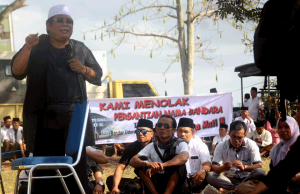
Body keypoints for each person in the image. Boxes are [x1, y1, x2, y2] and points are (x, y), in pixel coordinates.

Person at [11, 4, 102, 194]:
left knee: (75, 172)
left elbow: (97, 75)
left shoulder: (79, 48)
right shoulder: (36, 45)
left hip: (73, 121)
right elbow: (16, 71)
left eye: (68, 21)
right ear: (48, 25)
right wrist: (27, 47)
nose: (65, 24)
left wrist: (83, 69)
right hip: (43, 121)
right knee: (46, 174)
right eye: (59, 20)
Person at [129, 115, 189, 194]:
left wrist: (162, 165)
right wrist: (147, 164)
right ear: (156, 128)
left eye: (166, 126)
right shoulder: (152, 145)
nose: (162, 128)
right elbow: (132, 161)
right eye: (159, 125)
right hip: (157, 183)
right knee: (141, 163)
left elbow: (184, 157)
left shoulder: (180, 143)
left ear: (174, 130)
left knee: (179, 163)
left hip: (176, 186)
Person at [206, 120, 265, 194]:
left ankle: (231, 190)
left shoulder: (251, 145)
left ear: (245, 135)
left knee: (260, 172)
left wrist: (244, 167)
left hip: (246, 179)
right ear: (229, 133)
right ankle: (239, 189)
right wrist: (223, 168)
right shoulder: (221, 146)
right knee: (210, 175)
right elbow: (214, 167)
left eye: (240, 137)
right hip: (228, 179)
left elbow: (259, 166)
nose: (236, 140)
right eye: (233, 136)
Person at [250, 116, 300, 194]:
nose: (283, 130)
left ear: (294, 127)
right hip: (276, 183)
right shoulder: (276, 149)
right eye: (279, 127)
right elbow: (274, 173)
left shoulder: (297, 147)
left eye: (287, 127)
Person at [106, 119, 154, 194]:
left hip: (158, 178)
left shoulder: (158, 145)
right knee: (111, 180)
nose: (140, 134)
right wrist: (115, 187)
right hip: (141, 180)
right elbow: (120, 167)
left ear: (152, 134)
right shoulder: (131, 148)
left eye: (144, 131)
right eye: (137, 131)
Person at [177, 117, 211, 193]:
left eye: (186, 132)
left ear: (193, 134)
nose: (182, 134)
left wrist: (203, 171)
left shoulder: (200, 145)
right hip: (178, 180)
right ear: (176, 132)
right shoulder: (172, 145)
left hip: (196, 179)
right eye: (180, 131)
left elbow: (207, 163)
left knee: (210, 176)